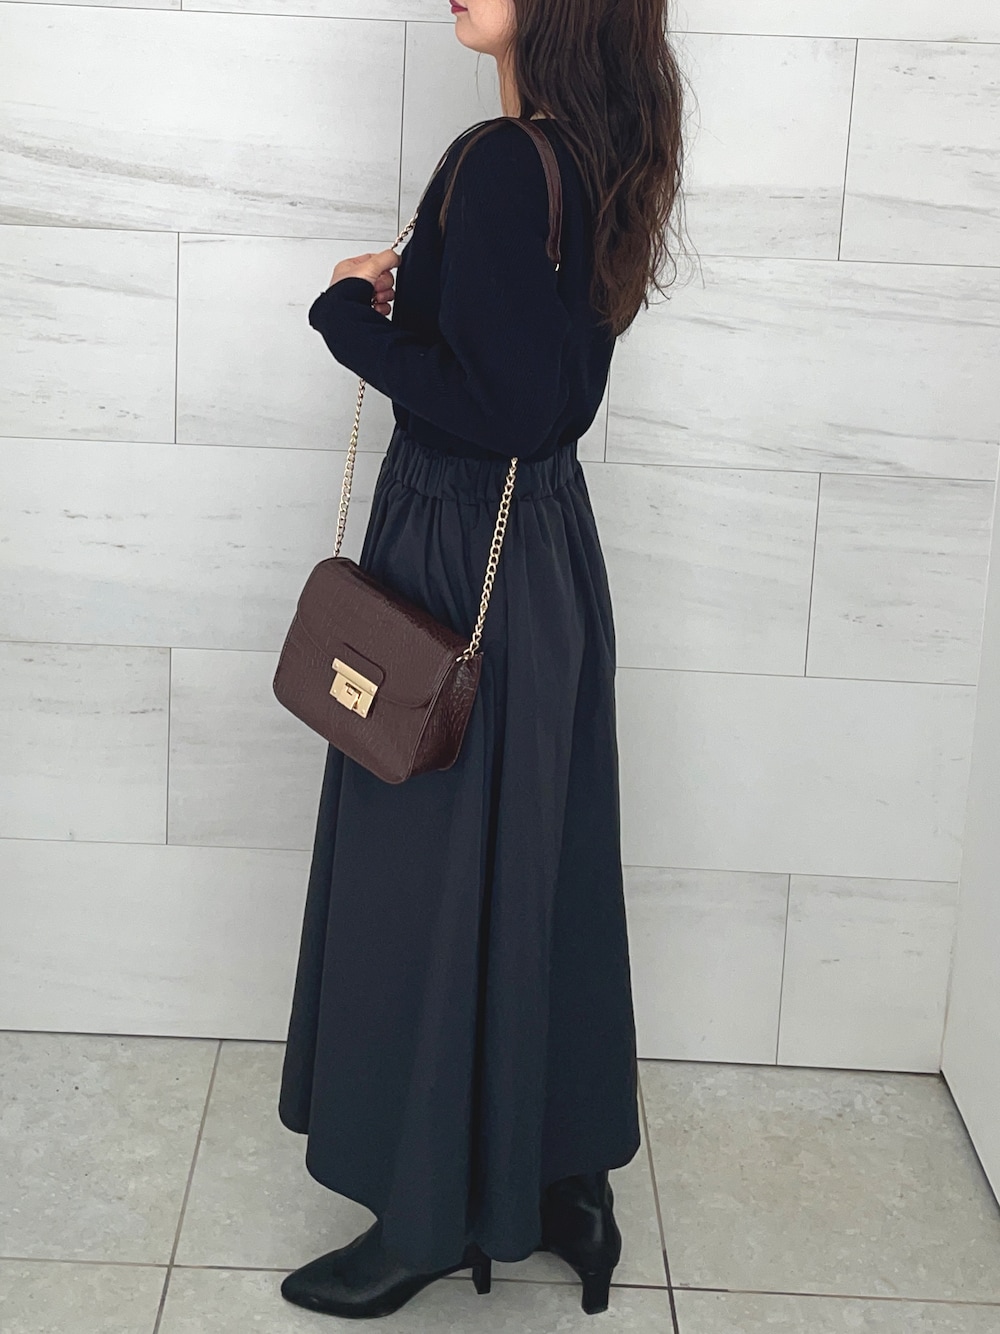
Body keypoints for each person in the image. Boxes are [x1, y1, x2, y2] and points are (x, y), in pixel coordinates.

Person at [276, 0, 686, 1319]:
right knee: (539, 874)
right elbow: (545, 387)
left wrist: (347, 314)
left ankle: (426, 1217)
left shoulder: (505, 161)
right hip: (546, 554)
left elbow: (493, 408)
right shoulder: (607, 149)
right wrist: (435, 304)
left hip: (461, 553)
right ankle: (565, 1186)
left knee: (425, 884)